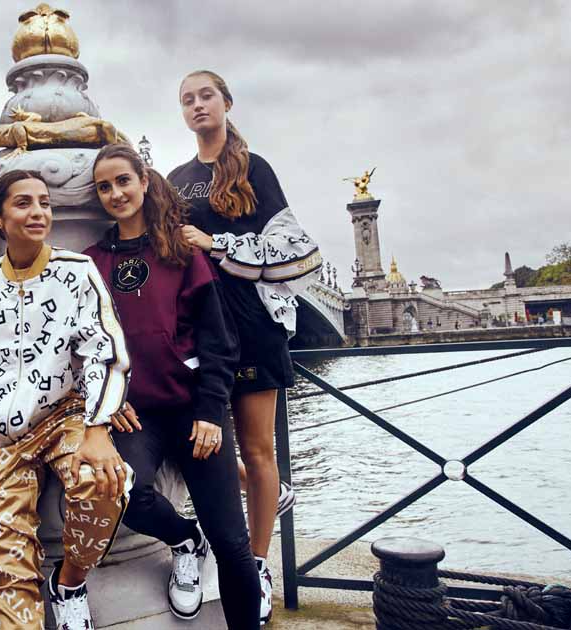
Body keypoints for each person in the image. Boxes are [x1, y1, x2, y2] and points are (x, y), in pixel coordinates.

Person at [83, 143, 265, 627]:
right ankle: (185, 538)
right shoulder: (89, 264)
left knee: (232, 541)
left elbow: (219, 340)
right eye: (105, 186)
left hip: (192, 411)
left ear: (144, 182)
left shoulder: (182, 252)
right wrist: (109, 397)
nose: (116, 193)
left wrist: (210, 411)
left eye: (123, 180)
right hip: (136, 414)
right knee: (127, 494)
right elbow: (83, 345)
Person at [169, 70, 322, 625]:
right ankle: (258, 501)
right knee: (191, 440)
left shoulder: (255, 170)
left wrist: (218, 244)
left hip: (252, 323)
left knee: (258, 449)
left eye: (206, 95)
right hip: (200, 330)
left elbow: (296, 250)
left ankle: (255, 565)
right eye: (187, 100)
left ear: (226, 103)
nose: (197, 105)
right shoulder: (177, 177)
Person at [0, 170, 132, 630]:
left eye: (45, 203)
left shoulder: (76, 271)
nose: (38, 213)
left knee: (104, 480)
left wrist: (97, 426)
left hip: (63, 415)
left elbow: (104, 351)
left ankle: (69, 582)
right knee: (5, 570)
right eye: (24, 204)